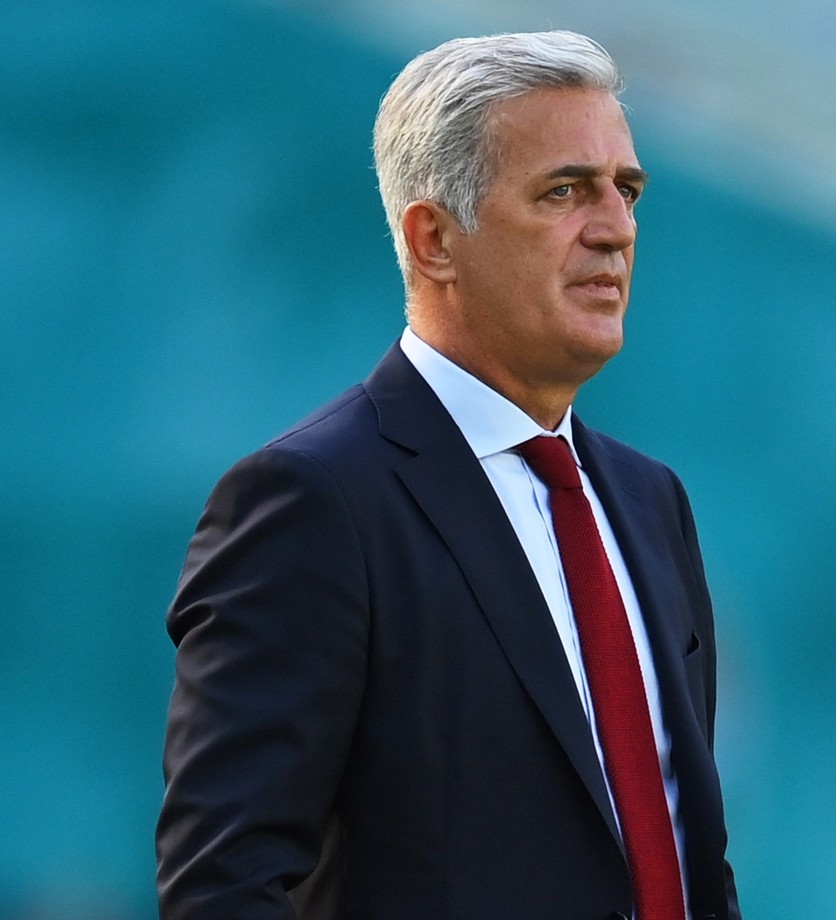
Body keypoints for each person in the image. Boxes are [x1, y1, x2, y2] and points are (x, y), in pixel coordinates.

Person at [156, 31, 740, 920]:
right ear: (433, 241)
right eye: (564, 190)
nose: (617, 228)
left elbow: (691, 859)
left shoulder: (653, 503)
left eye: (626, 190)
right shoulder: (312, 502)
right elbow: (223, 887)